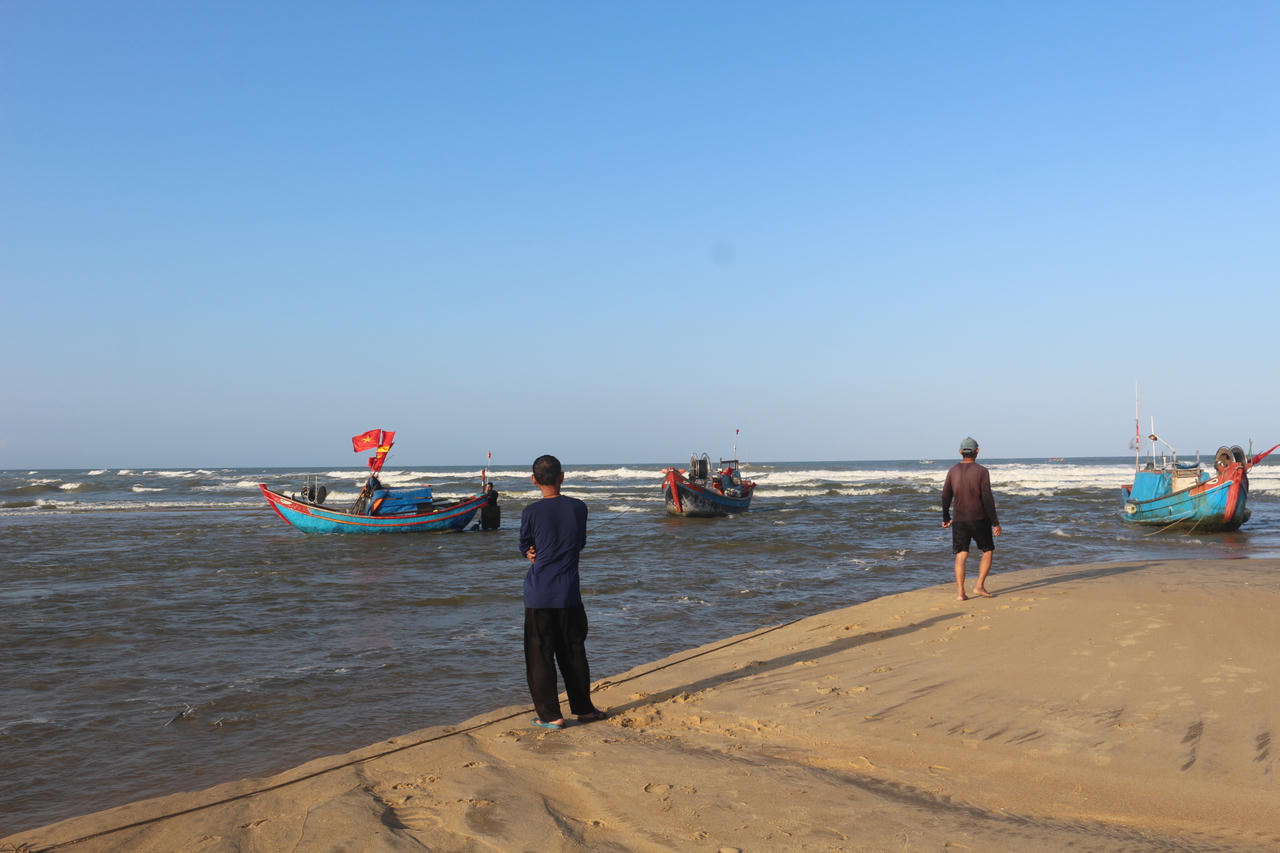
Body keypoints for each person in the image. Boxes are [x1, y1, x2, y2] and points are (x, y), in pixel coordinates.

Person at [517, 454, 606, 729]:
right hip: (569, 594)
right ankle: (584, 709)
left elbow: (525, 545)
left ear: (534, 480)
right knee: (574, 653)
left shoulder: (530, 512)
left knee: (540, 656)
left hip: (539, 595)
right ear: (562, 477)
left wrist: (531, 552)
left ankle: (551, 716)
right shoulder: (579, 508)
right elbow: (579, 543)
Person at [941, 437, 1002, 601]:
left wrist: (946, 516)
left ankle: (961, 593)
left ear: (960, 452)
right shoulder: (982, 471)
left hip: (959, 519)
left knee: (961, 553)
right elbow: (987, 499)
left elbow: (946, 495)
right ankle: (979, 586)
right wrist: (995, 522)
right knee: (987, 550)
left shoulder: (952, 471)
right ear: (977, 451)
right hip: (979, 517)